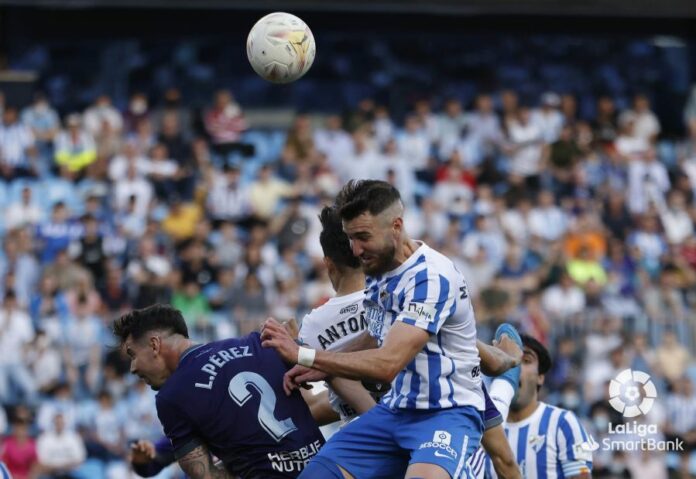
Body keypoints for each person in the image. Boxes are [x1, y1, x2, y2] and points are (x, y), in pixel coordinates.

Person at [262, 180, 500, 479]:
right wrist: (324, 363)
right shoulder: (379, 267)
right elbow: (377, 332)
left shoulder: (430, 278)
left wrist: (307, 355)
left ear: (396, 226)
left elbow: (388, 363)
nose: (356, 250)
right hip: (395, 411)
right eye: (350, 238)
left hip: (445, 413)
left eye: (363, 237)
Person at [113, 304, 325, 478]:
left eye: (132, 354)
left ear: (154, 345)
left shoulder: (173, 396)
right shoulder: (259, 342)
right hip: (327, 469)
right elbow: (315, 406)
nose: (133, 368)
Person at [485, 335, 594, 478]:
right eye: (505, 357)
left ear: (540, 377)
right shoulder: (484, 428)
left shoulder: (563, 423)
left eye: (525, 361)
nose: (514, 368)